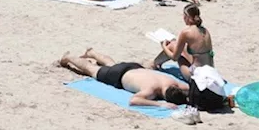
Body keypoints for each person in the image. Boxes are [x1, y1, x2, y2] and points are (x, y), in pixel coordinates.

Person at [58, 49, 189, 109]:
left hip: (136, 67)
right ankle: (69, 58)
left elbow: (189, 88)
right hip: (119, 76)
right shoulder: (151, 91)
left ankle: (92, 53)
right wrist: (160, 104)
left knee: (113, 65)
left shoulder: (172, 83)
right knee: (91, 69)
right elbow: (134, 100)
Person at [153, 4, 213, 81]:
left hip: (197, 77)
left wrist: (163, 46)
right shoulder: (205, 30)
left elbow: (174, 57)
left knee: (173, 48)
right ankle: (156, 63)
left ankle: (154, 63)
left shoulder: (186, 32)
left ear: (188, 17)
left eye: (184, 16)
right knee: (175, 44)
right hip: (210, 71)